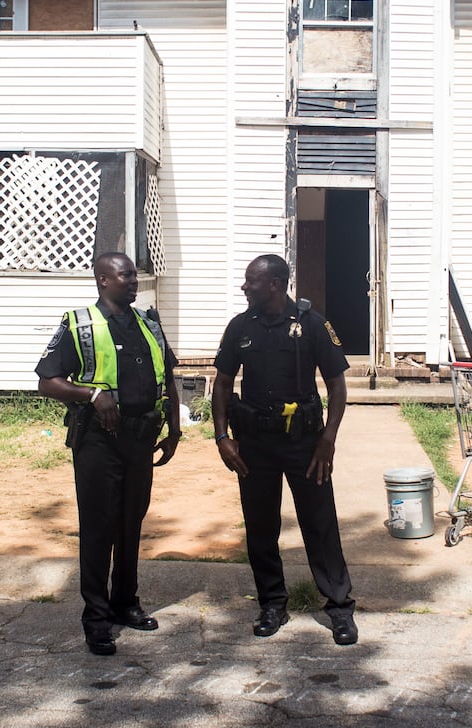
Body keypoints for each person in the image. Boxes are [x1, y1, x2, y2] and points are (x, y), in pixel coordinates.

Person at [35, 251, 180, 657]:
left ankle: (125, 604)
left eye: (134, 275)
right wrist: (92, 394)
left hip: (141, 438)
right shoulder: (80, 324)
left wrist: (175, 431)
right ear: (103, 279)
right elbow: (47, 382)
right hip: (99, 441)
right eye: (125, 275)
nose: (134, 281)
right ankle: (96, 620)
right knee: (99, 529)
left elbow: (167, 375)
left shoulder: (148, 323)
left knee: (130, 524)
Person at [211, 253, 357, 646]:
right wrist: (222, 437)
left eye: (251, 281)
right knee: (260, 526)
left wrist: (329, 437)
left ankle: (340, 606)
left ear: (274, 283)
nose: (245, 287)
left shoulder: (312, 325)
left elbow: (337, 385)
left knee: (320, 522)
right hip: (254, 444)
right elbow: (222, 383)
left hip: (305, 443)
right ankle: (272, 603)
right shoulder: (240, 327)